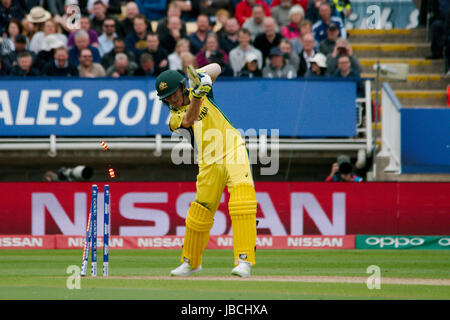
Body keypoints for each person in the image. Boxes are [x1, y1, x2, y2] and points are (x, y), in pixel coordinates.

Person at [155, 64, 257, 278]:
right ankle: (191, 262)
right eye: (166, 98)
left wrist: (200, 78)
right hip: (208, 161)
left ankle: (244, 260)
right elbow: (189, 120)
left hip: (233, 148)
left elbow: (218, 67)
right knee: (199, 213)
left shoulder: (199, 89)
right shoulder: (173, 119)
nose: (171, 100)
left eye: (173, 94)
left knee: (242, 201)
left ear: (182, 87)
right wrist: (198, 95)